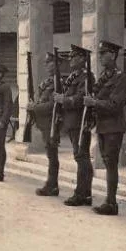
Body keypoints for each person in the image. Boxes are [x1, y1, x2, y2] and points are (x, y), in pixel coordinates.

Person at [83, 40, 126, 215]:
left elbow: (115, 104)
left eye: (104, 53)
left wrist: (94, 102)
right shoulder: (104, 76)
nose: (101, 57)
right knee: (107, 162)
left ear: (113, 55)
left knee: (111, 164)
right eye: (100, 54)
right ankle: (109, 200)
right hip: (103, 126)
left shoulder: (120, 77)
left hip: (114, 127)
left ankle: (111, 202)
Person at [53, 45, 95, 206]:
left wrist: (64, 100)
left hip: (80, 121)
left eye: (74, 57)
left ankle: (82, 193)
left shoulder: (86, 77)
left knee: (81, 156)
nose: (71, 59)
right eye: (70, 57)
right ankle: (85, 193)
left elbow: (80, 98)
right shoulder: (74, 76)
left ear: (83, 59)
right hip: (72, 122)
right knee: (80, 156)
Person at [29, 52, 61, 196]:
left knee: (52, 154)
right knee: (50, 154)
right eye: (46, 63)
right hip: (44, 123)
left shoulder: (57, 83)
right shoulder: (48, 81)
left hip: (52, 122)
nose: (47, 65)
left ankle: (52, 184)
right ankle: (51, 183)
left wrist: (34, 108)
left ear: (57, 64)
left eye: (50, 63)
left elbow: (52, 105)